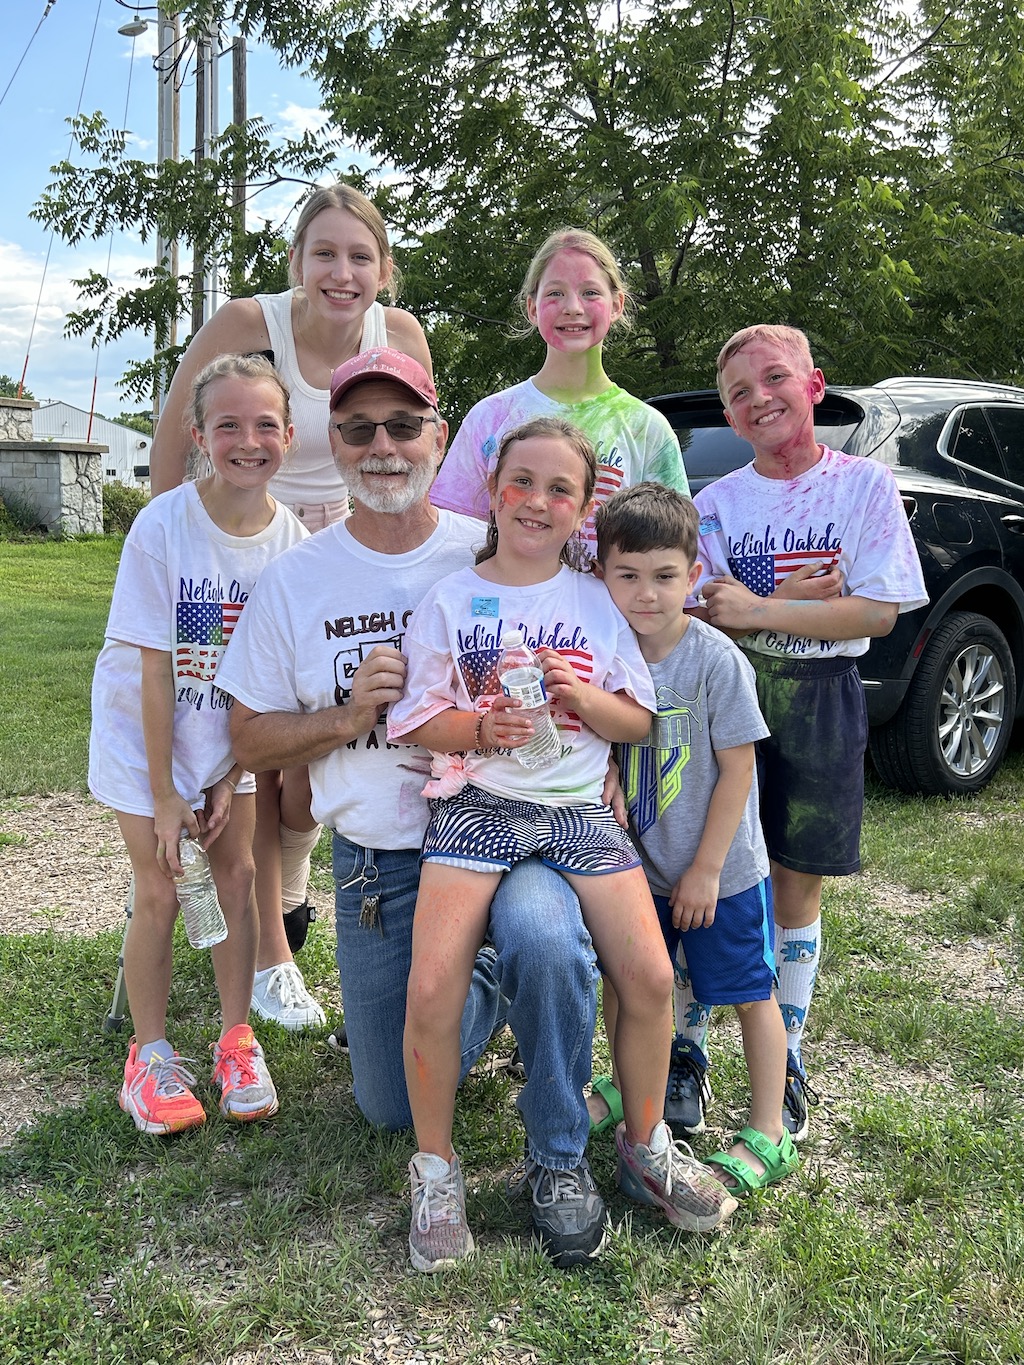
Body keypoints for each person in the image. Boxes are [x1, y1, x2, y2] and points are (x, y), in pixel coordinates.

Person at [218, 350, 616, 1270]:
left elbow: (618, 618)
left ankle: (557, 1134)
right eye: (359, 428)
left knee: (549, 939)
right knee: (388, 1102)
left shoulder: (495, 542)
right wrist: (350, 714)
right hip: (385, 860)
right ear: (336, 444)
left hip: (510, 833)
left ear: (440, 440)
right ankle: (490, 984)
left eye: (404, 425)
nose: (383, 445)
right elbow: (246, 738)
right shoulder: (296, 579)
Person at [387, 418, 736, 1273]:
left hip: (580, 812)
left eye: (559, 489)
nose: (537, 501)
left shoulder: (592, 600)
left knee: (652, 978)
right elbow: (417, 721)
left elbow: (640, 718)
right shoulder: (451, 598)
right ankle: (436, 1173)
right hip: (479, 806)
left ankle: (643, 1144)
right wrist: (482, 727)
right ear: (493, 488)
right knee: (430, 985)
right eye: (522, 481)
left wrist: (583, 696)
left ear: (583, 509)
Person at [150, 184, 432, 1032]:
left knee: (328, 757)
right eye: (324, 253)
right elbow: (175, 446)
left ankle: (301, 890)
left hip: (349, 561)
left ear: (383, 269)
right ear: (296, 263)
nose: (341, 273)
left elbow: (410, 440)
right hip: (247, 554)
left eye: (359, 256)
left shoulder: (403, 335)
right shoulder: (248, 324)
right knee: (253, 754)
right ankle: (273, 955)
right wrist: (186, 561)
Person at [686, 324, 928, 1141]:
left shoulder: (863, 488)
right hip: (728, 699)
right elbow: (698, 613)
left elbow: (876, 607)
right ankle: (689, 1046)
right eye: (739, 393)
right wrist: (780, 603)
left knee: (795, 880)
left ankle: (785, 1050)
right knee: (706, 874)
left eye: (774, 379)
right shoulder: (713, 504)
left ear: (815, 385)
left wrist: (758, 605)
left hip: (822, 695)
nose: (759, 400)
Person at [89, 353, 308, 1135]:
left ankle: (235, 1038)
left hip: (228, 737)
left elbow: (269, 675)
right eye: (228, 425)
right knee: (161, 886)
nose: (247, 441)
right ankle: (148, 1057)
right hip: (144, 738)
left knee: (240, 873)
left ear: (289, 432)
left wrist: (229, 771)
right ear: (198, 435)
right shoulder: (163, 525)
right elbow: (154, 674)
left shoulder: (291, 541)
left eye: (263, 425)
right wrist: (164, 791)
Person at [596, 482, 798, 1195]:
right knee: (626, 984)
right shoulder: (605, 651)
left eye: (664, 576)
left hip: (723, 873)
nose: (646, 593)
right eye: (628, 574)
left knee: (749, 992)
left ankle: (770, 1131)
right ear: (602, 574)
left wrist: (708, 868)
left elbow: (740, 766)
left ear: (693, 575)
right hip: (639, 870)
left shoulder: (715, 659)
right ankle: (627, 1087)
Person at [430, 227, 689, 552]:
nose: (573, 307)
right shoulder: (489, 418)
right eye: (555, 293)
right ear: (532, 308)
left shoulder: (646, 428)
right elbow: (452, 536)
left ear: (617, 305)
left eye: (590, 292)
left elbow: (673, 550)